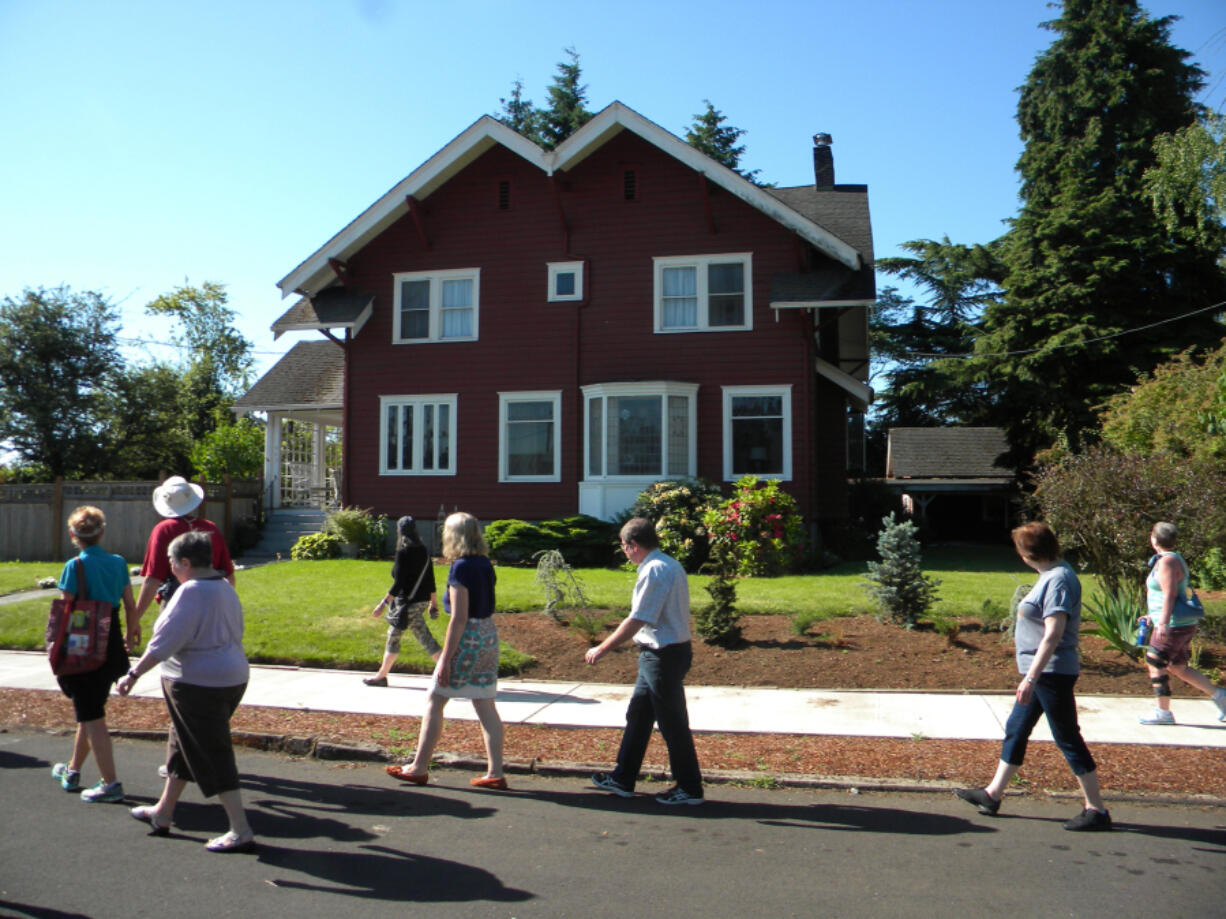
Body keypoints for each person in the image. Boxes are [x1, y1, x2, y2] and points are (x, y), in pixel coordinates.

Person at [956, 522, 1111, 831]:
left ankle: (1096, 809)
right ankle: (992, 794)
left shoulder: (1059, 580)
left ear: (1028, 553)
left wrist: (1031, 678)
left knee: (1067, 737)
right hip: (1041, 673)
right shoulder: (1050, 577)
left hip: (1051, 673)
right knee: (1016, 729)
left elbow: (1053, 634)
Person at [117, 530, 256, 853]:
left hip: (197, 682)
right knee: (182, 743)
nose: (169, 568)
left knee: (212, 752)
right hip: (231, 676)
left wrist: (134, 673)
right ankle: (163, 812)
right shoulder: (224, 587)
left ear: (185, 562)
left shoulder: (190, 592)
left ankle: (240, 828)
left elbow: (165, 641)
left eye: (170, 562)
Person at [584, 517, 704, 806]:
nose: (625, 553)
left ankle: (690, 788)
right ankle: (623, 777)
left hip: (663, 656)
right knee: (638, 716)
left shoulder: (654, 570)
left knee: (672, 723)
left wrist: (602, 648)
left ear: (634, 545)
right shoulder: (669, 563)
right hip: (664, 652)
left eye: (625, 547)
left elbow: (638, 618)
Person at [385, 512, 507, 790]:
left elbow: (459, 618)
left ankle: (418, 768)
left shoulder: (460, 567)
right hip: (488, 634)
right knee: (485, 703)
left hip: (469, 639)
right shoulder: (484, 563)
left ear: (453, 536)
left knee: (435, 699)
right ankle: (496, 772)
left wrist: (446, 660)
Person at [50, 506, 139, 802]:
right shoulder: (118, 563)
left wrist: (56, 650)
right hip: (111, 640)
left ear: (73, 535)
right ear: (102, 532)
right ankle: (73, 770)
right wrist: (132, 630)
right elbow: (128, 602)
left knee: (92, 715)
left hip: (83, 645)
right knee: (89, 711)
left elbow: (66, 611)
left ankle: (111, 783)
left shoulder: (74, 566)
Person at [1137, 521, 1226, 725]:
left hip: (1174, 624)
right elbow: (1165, 596)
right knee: (1177, 666)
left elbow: (1170, 593)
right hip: (1177, 621)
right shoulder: (1167, 560)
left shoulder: (1168, 561)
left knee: (1154, 661)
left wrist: (1163, 623)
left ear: (1154, 539)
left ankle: (1163, 712)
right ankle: (1221, 696)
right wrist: (1152, 615)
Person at [134, 476, 236, 624]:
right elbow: (229, 575)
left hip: (176, 605)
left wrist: (134, 619)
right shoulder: (210, 528)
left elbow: (153, 579)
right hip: (211, 604)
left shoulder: (164, 530)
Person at [363, 516, 440, 686]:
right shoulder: (424, 552)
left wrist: (382, 604)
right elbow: (430, 580)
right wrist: (433, 603)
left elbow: (399, 584)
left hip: (407, 604)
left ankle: (449, 673)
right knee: (394, 636)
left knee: (424, 638)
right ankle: (381, 675)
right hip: (420, 602)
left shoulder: (403, 553)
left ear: (400, 532)